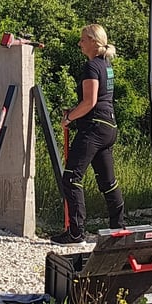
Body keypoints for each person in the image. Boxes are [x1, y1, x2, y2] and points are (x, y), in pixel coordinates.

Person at [51, 23, 125, 245]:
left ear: (93, 41)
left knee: (72, 177)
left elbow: (89, 102)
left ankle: (76, 233)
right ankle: (118, 229)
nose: (79, 43)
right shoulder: (106, 65)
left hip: (94, 127)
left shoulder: (92, 66)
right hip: (109, 126)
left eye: (83, 39)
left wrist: (69, 117)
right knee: (108, 182)